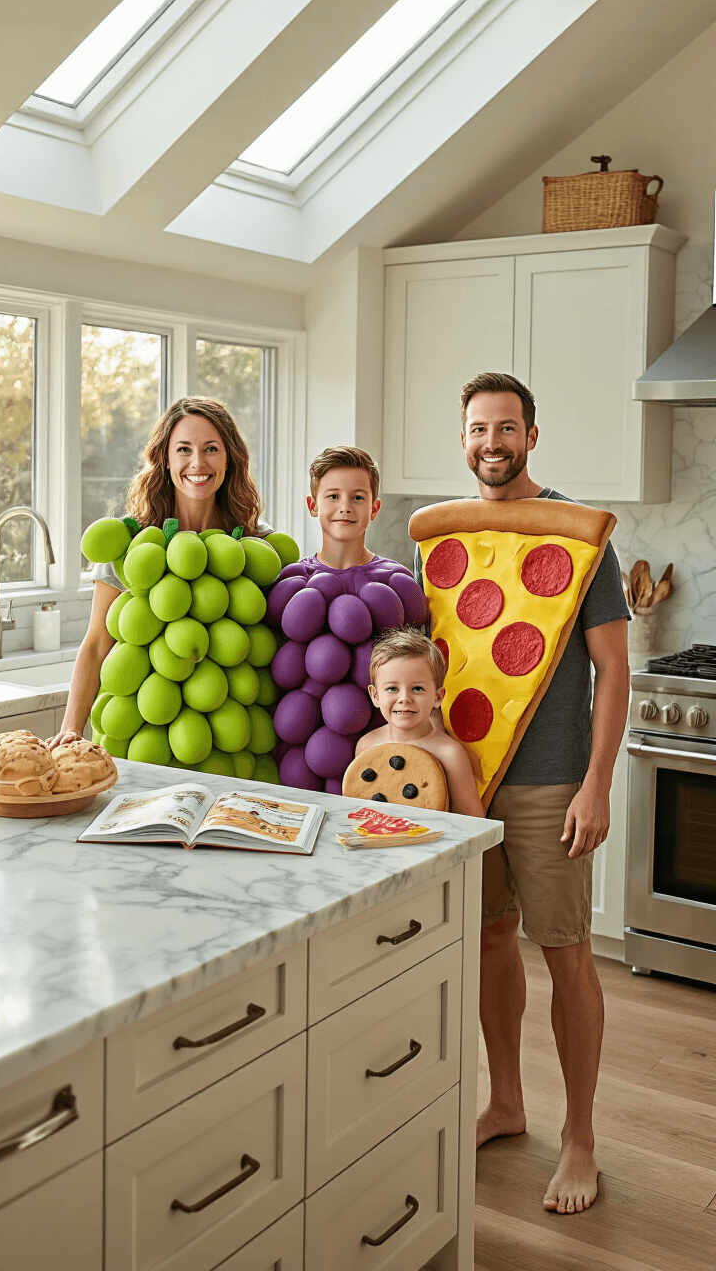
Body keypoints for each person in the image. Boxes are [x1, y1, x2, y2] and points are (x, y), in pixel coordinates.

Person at [413, 371, 629, 1215]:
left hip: (549, 781)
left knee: (565, 952)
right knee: (490, 943)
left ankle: (580, 1138)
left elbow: (614, 667)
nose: (491, 443)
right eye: (477, 429)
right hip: (462, 779)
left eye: (506, 428)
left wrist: (597, 782)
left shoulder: (578, 539)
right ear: (462, 438)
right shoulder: (439, 541)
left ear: (532, 436)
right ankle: (505, 1102)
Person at [49, 396, 267, 749]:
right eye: (184, 449)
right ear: (165, 459)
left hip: (233, 746)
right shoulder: (128, 546)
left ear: (230, 458)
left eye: (211, 448)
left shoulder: (255, 544)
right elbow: (96, 643)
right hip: (142, 741)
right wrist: (71, 727)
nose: (198, 462)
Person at [356, 626, 484, 817]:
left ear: (438, 697)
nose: (404, 698)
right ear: (375, 695)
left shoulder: (449, 754)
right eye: (392, 688)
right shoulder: (367, 746)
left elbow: (473, 822)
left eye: (417, 689)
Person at [304, 445, 383, 571]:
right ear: (313, 506)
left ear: (374, 509)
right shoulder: (290, 579)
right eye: (333, 496)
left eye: (357, 498)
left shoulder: (400, 581)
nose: (345, 508)